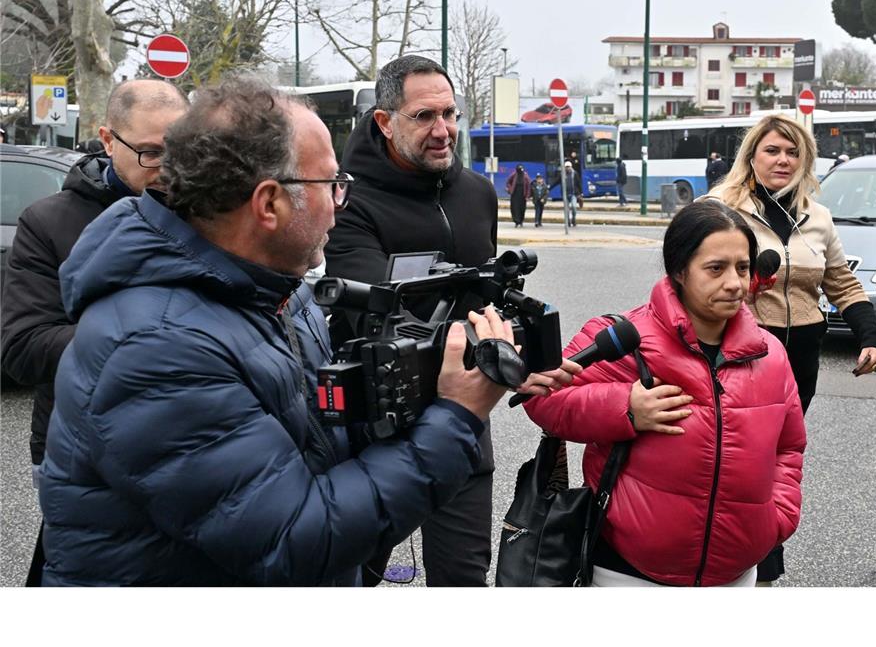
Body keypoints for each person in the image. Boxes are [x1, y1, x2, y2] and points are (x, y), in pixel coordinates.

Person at [36, 76, 531, 586]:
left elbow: (320, 440)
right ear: (269, 204)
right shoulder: (156, 348)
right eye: (331, 184)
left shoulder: (279, 292)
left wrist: (427, 385)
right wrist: (456, 417)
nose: (340, 203)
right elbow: (295, 541)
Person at [524, 199, 806, 586]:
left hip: (737, 575)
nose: (734, 283)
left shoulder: (770, 354)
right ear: (679, 270)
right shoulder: (623, 339)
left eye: (742, 268)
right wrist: (625, 407)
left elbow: (789, 447)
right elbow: (544, 398)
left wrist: (776, 518)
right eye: (716, 268)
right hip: (626, 574)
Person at [321, 55, 504, 587]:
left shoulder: (478, 193)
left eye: (450, 114)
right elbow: (375, 314)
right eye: (424, 116)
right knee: (350, 579)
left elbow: (486, 297)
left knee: (463, 581)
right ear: (385, 122)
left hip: (463, 417)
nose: (443, 130)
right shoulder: (347, 201)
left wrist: (512, 349)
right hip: (374, 426)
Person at [0, 79, 189, 586]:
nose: (167, 168)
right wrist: (154, 339)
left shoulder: (209, 212)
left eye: (180, 150)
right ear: (107, 140)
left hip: (187, 441)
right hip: (81, 449)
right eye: (150, 152)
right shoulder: (48, 222)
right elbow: (23, 348)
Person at [706, 113, 876, 583]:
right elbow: (687, 278)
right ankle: (740, 557)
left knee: (776, 456)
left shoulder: (816, 217)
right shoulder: (719, 208)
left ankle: (761, 549)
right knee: (739, 457)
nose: (783, 160)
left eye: (793, 152)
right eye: (772, 150)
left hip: (800, 356)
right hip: (737, 353)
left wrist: (870, 337)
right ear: (751, 157)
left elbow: (841, 281)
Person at [561, 160, 579, 226]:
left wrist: (581, 193)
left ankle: (573, 219)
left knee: (574, 207)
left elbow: (578, 183)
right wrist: (549, 188)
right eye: (566, 167)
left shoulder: (575, 174)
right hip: (565, 194)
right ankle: (568, 221)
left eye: (568, 167)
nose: (567, 168)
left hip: (573, 194)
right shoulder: (562, 174)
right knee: (566, 209)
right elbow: (557, 181)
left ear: (571, 167)